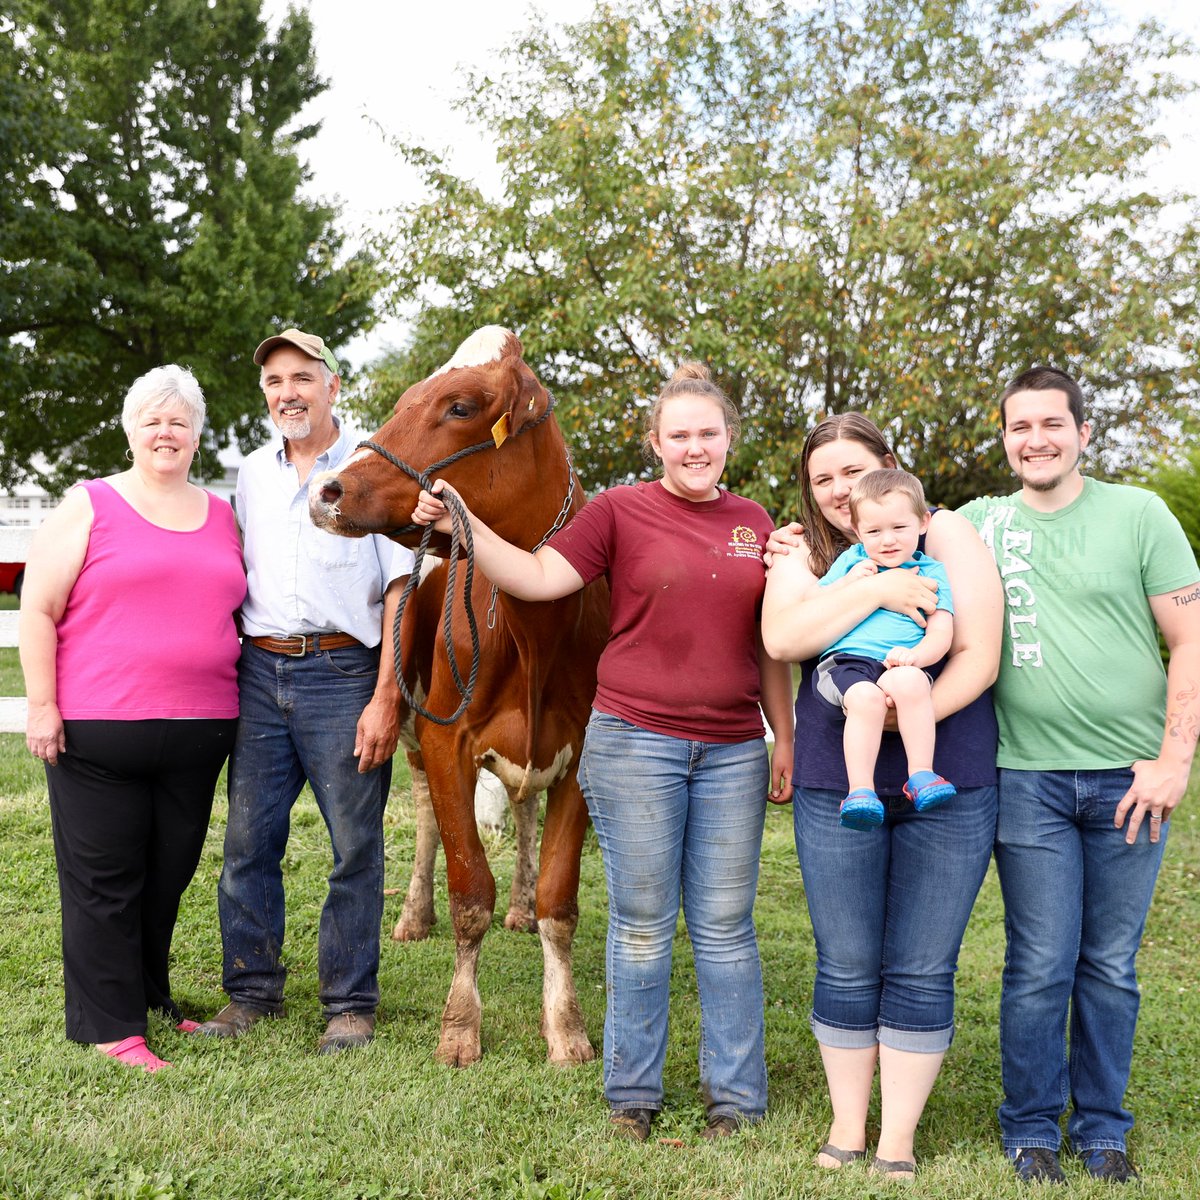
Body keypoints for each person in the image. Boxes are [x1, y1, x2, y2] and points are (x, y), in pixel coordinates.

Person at [412, 363, 794, 1141]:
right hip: (636, 744)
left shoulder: (755, 521)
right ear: (655, 441)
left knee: (725, 928)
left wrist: (781, 734)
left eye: (708, 434)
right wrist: (464, 524)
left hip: (728, 750)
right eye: (679, 435)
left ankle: (735, 1098)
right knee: (643, 924)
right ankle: (632, 1096)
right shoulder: (618, 512)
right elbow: (538, 574)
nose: (695, 448)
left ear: (729, 440)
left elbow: (768, 643)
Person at [958, 367, 1200, 1184]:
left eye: (1052, 424)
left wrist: (1175, 761)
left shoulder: (1139, 514)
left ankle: (1102, 1131)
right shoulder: (978, 523)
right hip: (1027, 780)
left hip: (1130, 785)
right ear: (1004, 438)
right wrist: (785, 544)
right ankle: (1029, 1129)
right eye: (1019, 427)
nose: (1036, 440)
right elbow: (875, 523)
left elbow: (1191, 640)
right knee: (1039, 962)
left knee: (1109, 963)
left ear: (1083, 432)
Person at [760, 412, 1002, 1179]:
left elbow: (979, 652)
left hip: (949, 769)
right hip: (839, 778)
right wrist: (882, 588)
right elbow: (784, 640)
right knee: (847, 958)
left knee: (924, 962)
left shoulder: (945, 533)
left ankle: (898, 1137)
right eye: (822, 477)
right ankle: (847, 1127)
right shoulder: (800, 552)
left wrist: (903, 716)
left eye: (852, 471)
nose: (837, 489)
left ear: (888, 466)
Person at [19, 365, 245, 1073]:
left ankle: (149, 998)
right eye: (151, 419)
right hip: (98, 731)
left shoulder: (221, 514)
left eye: (178, 421)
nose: (165, 431)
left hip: (200, 732)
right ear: (129, 430)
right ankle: (109, 1026)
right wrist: (43, 705)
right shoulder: (89, 504)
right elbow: (36, 608)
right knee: (104, 879)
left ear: (198, 433)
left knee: (167, 873)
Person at [197, 328, 414, 1055]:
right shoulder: (251, 472)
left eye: (301, 378)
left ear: (332, 385)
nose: (286, 392)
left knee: (355, 846)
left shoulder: (371, 465)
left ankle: (349, 1004)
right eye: (273, 382)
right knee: (248, 842)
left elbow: (400, 585)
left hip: (343, 674)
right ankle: (251, 991)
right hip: (258, 672)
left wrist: (387, 696)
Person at [814, 468, 956, 829]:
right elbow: (815, 604)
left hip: (901, 661)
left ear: (923, 522)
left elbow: (941, 630)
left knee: (912, 684)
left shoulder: (932, 571)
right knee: (865, 699)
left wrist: (917, 658)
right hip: (848, 662)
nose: (887, 540)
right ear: (859, 532)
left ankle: (922, 774)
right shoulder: (852, 561)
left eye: (899, 527)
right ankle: (860, 790)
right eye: (874, 531)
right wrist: (848, 583)